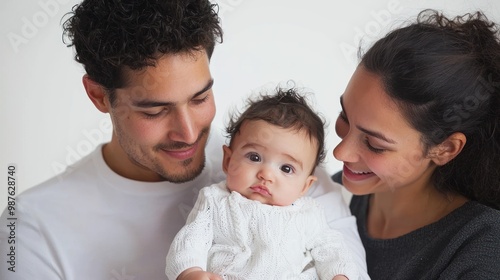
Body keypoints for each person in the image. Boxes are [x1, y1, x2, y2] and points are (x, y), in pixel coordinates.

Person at [0, 1, 369, 279]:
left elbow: (341, 258)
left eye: (199, 98)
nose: (189, 133)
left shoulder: (281, 155)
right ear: (99, 96)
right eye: (154, 111)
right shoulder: (31, 228)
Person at [331, 9, 500, 280]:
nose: (339, 152)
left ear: (445, 149)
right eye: (344, 117)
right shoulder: (326, 196)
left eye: (375, 144)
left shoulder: (481, 247)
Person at [165, 88, 359, 280]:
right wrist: (190, 272)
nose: (266, 175)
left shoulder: (308, 214)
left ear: (304, 187)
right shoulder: (214, 201)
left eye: (286, 169)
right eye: (254, 157)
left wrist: (340, 275)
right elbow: (191, 240)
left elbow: (331, 248)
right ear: (228, 161)